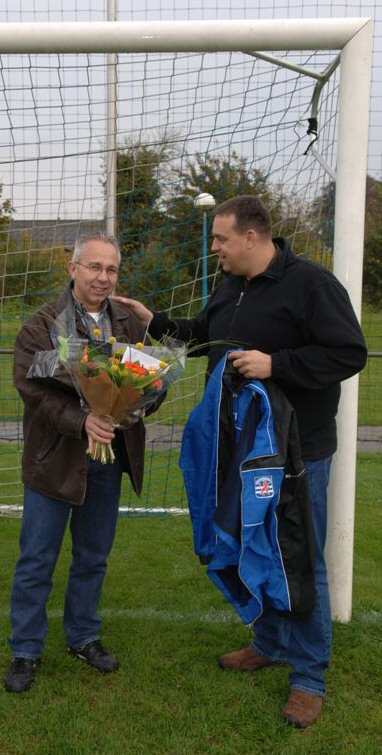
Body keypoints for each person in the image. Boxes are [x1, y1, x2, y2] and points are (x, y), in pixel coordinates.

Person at [111, 195, 367, 728]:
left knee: (298, 558)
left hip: (297, 453)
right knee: (253, 546)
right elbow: (204, 337)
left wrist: (278, 364)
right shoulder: (230, 285)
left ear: (252, 237)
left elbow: (349, 352)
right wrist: (153, 320)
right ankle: (269, 642)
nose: (215, 248)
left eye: (221, 239)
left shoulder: (313, 286)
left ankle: (308, 677)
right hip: (238, 449)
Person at [4, 233, 158, 694]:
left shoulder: (128, 321)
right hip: (54, 463)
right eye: (94, 267)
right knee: (36, 560)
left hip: (107, 462)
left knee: (93, 557)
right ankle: (26, 649)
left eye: (110, 270)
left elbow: (150, 380)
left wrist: (134, 407)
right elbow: (31, 389)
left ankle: (83, 636)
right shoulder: (43, 324)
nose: (103, 278)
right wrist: (82, 419)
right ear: (73, 269)